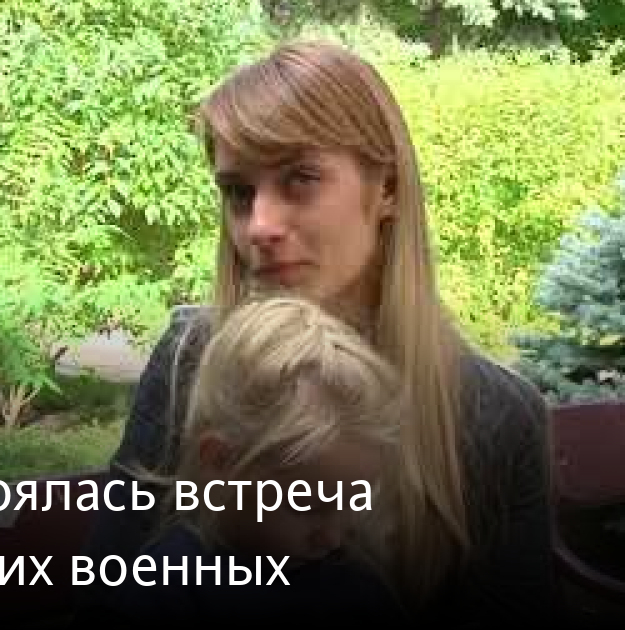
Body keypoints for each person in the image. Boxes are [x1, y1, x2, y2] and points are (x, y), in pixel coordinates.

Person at [79, 40, 559, 627]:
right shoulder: (192, 359)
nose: (259, 225)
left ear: (387, 189)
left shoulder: (496, 415)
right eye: (239, 192)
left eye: (300, 178)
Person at [98, 296, 411, 626]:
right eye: (307, 505)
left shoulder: (352, 579)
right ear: (220, 461)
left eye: (354, 503)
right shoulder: (169, 586)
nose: (332, 537)